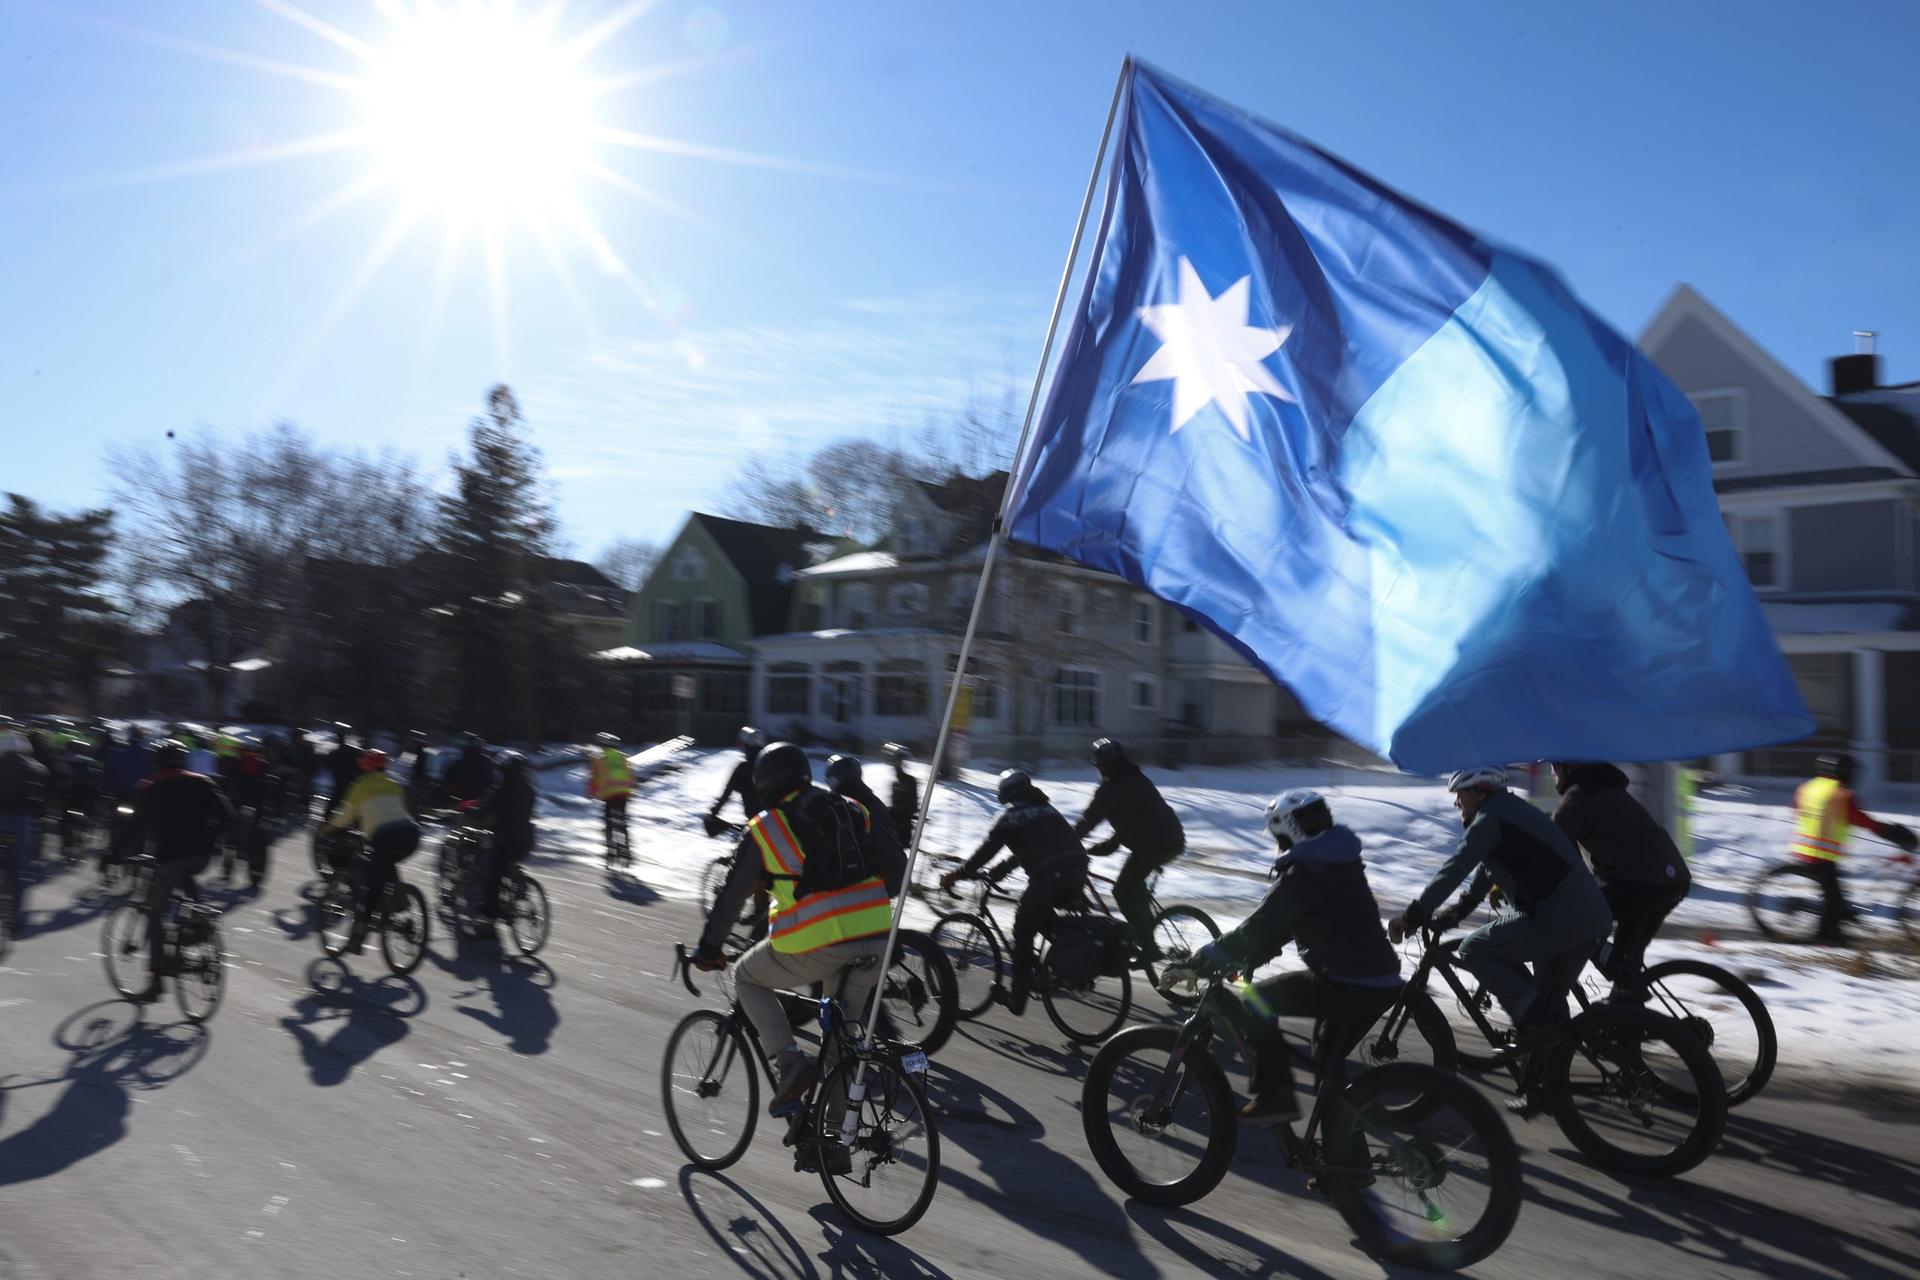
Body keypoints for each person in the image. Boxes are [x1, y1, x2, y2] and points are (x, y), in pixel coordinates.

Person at [1162, 789, 1401, 1123]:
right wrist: (1251, 959)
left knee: (1257, 1002)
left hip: (1347, 981)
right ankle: (1344, 1170)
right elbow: (1289, 925)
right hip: (1380, 978)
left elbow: (1259, 928)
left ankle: (1277, 1096)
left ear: (1287, 830)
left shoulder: (1303, 872)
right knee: (1328, 1077)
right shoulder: (1338, 858)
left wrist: (1198, 962)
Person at [694, 742, 893, 1118]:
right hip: (878, 934)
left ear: (765, 783)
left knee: (746, 977)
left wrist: (709, 948)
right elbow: (888, 866)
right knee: (840, 1044)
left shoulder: (766, 827)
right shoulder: (853, 809)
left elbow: (732, 896)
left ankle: (789, 1063)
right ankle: (831, 1141)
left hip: (818, 940)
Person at [1388, 767, 1611, 1052]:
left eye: (1460, 796)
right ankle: (1548, 1087)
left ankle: (1534, 1026)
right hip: (1590, 916)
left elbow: (1455, 868)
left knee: (1474, 950)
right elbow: (1489, 869)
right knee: (1548, 1005)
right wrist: (1459, 910)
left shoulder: (1489, 819)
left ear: (1480, 792)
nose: (1458, 804)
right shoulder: (1510, 810)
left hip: (1556, 919)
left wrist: (1414, 915)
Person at [940, 769, 1089, 1016]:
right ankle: (1072, 966)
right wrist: (1004, 868)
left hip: (1051, 876)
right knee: (1042, 916)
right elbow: (1035, 845)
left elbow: (987, 850)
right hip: (1077, 870)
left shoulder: (1011, 815)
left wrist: (958, 873)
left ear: (1006, 793)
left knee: (1023, 927)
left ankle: (1017, 1000)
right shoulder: (1046, 809)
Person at [1549, 762, 1692, 983]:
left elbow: (1552, 844)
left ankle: (1622, 999)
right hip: (1669, 879)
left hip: (1645, 882)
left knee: (1578, 920)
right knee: (1627, 961)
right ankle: (1627, 1005)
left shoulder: (1579, 796)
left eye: (1555, 766)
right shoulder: (1603, 789)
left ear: (1571, 768)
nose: (1552, 772)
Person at [119, 739, 233, 1001]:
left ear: (156, 764)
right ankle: (199, 920)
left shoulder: (152, 789)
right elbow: (229, 817)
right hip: (203, 856)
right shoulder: (202, 782)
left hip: (170, 857)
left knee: (156, 914)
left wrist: (117, 854)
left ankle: (156, 980)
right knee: (186, 877)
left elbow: (135, 826)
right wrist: (211, 839)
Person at [1073, 737, 1185, 963]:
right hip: (1171, 840)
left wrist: (1066, 840)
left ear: (1102, 766)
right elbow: (1136, 818)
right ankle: (1145, 932)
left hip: (1153, 845)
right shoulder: (1137, 778)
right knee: (1135, 889)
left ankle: (1149, 948)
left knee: (1122, 892)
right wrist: (1110, 843)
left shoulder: (1110, 789)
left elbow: (1088, 821)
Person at [1788, 752, 1917, 944]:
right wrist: (1892, 833)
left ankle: (1839, 919)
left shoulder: (1808, 787)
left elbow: (1796, 810)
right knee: (1833, 900)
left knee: (1836, 894)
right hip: (1821, 854)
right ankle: (1827, 938)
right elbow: (1863, 821)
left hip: (1805, 847)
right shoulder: (1841, 794)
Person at [320, 749, 421, 952]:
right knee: (385, 865)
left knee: (373, 885)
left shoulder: (360, 786)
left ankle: (359, 935)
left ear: (364, 766)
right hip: (411, 834)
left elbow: (346, 815)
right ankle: (400, 901)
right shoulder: (394, 785)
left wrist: (327, 829)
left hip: (385, 836)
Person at [471, 751, 537, 936]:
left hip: (504, 840)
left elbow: (483, 810)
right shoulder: (529, 790)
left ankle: (490, 920)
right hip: (526, 840)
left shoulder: (500, 791)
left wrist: (473, 813)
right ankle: (518, 882)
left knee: (492, 878)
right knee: (510, 862)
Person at [824, 754, 907, 895]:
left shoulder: (847, 807)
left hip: (875, 882)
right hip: (894, 874)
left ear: (836, 780)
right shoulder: (872, 800)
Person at [0, 729, 51, 935]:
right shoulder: (39, 769)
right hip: (25, 823)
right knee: (20, 872)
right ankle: (15, 917)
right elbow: (43, 804)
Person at [707, 726, 767, 833]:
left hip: (756, 821)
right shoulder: (769, 764)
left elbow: (727, 792)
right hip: (775, 816)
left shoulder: (743, 768)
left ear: (746, 746)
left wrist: (715, 812)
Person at [588, 732, 635, 859]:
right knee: (621, 820)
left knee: (609, 821)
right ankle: (626, 849)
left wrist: (593, 794)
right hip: (624, 793)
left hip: (609, 794)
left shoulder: (599, 759)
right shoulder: (624, 757)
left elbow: (596, 778)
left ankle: (610, 849)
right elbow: (631, 776)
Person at [440, 732, 498, 809]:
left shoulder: (462, 761)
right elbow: (489, 780)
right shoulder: (487, 762)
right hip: (474, 797)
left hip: (460, 795)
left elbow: (450, 775)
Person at [321, 725, 360, 823]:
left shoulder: (335, 753)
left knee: (335, 799)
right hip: (349, 780)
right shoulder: (352, 751)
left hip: (340, 780)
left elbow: (327, 764)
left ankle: (327, 818)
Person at [884, 743, 920, 847]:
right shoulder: (896, 783)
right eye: (894, 763)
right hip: (895, 826)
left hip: (902, 826)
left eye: (897, 763)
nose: (895, 767)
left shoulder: (909, 781)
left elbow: (912, 806)